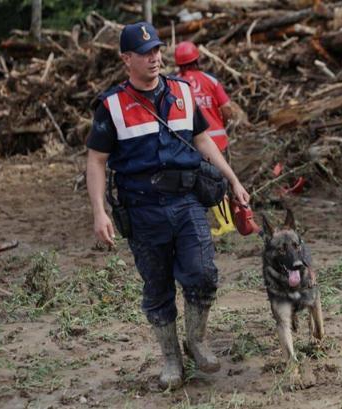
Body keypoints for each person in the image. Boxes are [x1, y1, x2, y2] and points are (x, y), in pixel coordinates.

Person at [85, 22, 250, 388]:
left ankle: (197, 340)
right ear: (127, 59)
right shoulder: (111, 105)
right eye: (145, 53)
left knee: (203, 274)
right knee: (157, 288)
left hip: (187, 200)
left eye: (157, 50)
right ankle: (171, 358)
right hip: (142, 210)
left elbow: (203, 139)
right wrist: (99, 211)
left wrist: (233, 180)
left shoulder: (182, 91)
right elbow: (96, 161)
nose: (155, 58)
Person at [174, 41, 235, 236]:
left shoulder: (176, 84)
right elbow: (227, 109)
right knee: (219, 181)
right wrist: (222, 121)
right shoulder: (211, 80)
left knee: (203, 182)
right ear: (197, 59)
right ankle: (228, 221)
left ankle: (226, 223)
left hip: (191, 143)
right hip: (217, 140)